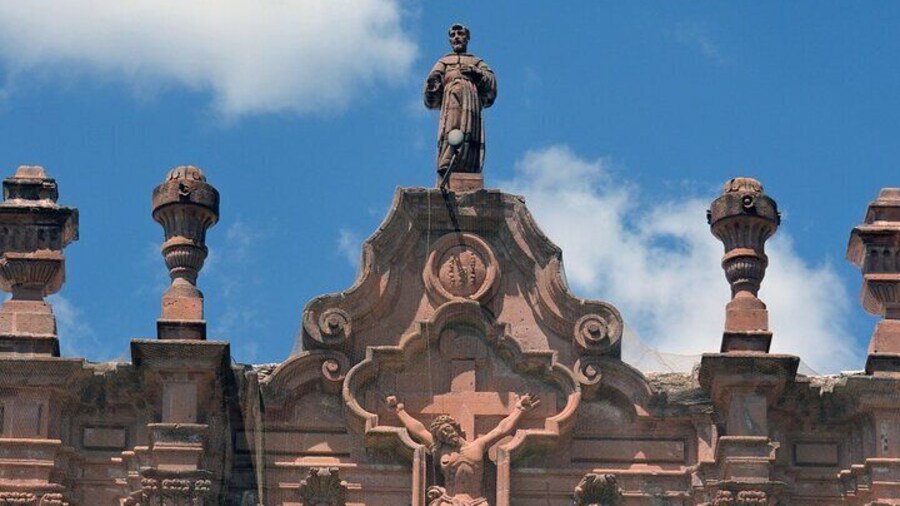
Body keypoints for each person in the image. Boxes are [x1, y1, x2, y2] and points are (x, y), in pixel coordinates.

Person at [385, 393, 539, 506]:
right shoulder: (441, 450)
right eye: (442, 434)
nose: (446, 434)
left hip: (477, 501)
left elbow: (501, 430)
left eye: (447, 429)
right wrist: (399, 411)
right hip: (449, 501)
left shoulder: (477, 446)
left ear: (455, 428)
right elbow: (419, 431)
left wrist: (519, 409)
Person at [424, 24, 497, 177]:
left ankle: (468, 164)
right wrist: (433, 84)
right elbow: (431, 88)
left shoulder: (476, 61)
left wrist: (476, 73)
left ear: (467, 38)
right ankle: (447, 160)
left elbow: (491, 82)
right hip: (451, 98)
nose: (456, 37)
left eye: (460, 33)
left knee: (469, 129)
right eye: (453, 35)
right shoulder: (444, 61)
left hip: (470, 98)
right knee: (451, 125)